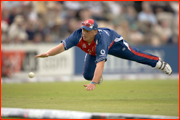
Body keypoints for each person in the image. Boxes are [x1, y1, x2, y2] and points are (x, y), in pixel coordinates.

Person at [35, 19, 172, 91]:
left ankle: (158, 63)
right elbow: (62, 47)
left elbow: (100, 63)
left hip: (114, 42)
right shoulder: (77, 35)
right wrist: (48, 54)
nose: (84, 32)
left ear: (95, 32)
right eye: (83, 29)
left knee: (134, 55)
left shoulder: (101, 40)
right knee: (86, 76)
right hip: (93, 50)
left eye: (87, 30)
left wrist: (94, 83)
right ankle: (96, 78)